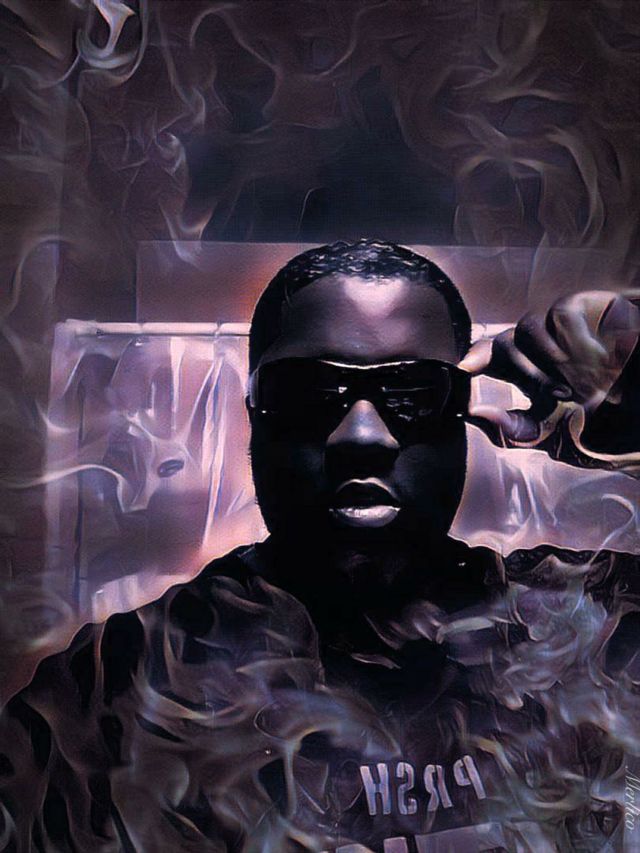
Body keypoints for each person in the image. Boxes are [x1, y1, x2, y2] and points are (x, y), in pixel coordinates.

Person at [1, 240, 639, 852]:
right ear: (254, 416)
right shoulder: (123, 684)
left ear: (460, 415)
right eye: (307, 393)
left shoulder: (588, 623)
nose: (363, 436)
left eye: (413, 393)